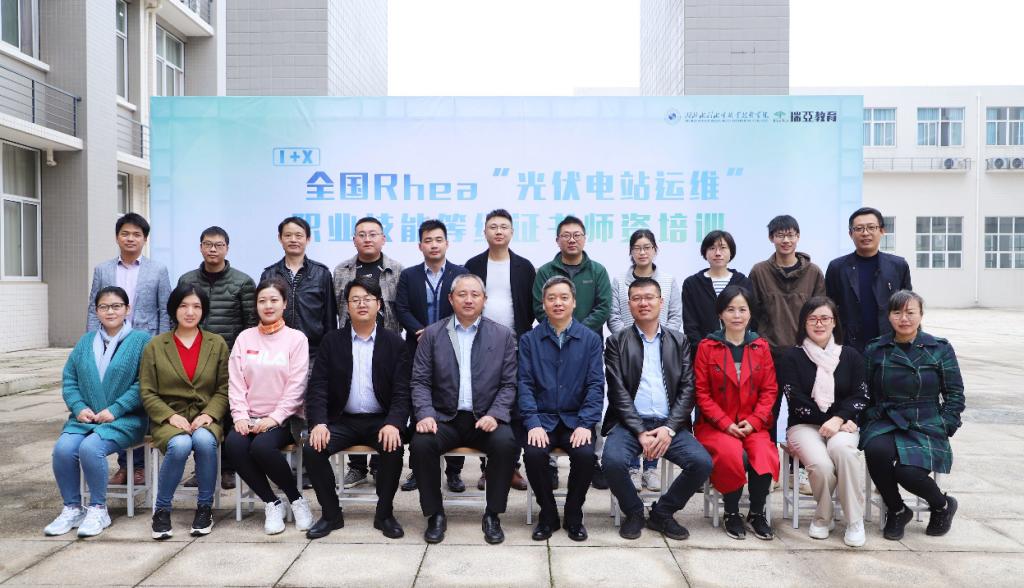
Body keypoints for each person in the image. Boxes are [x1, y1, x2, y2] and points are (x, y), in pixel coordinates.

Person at [409, 274, 519, 544]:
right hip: (444, 418)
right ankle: (435, 514)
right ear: (451, 299)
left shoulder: (502, 335)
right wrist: (425, 414)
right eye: (462, 294)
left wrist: (495, 414)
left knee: (506, 443)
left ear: (484, 299)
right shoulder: (432, 334)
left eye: (475, 294)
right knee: (421, 444)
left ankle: (492, 514)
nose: (468, 300)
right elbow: (420, 381)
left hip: (485, 419)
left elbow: (509, 384)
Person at [602, 277, 713, 541]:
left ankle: (662, 513)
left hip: (668, 424)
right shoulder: (616, 341)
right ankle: (634, 511)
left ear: (661, 302)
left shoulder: (679, 341)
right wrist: (641, 431)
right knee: (612, 462)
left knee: (702, 463)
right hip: (629, 425)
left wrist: (670, 429)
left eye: (649, 297)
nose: (644, 303)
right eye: (637, 298)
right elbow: (617, 392)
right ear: (629, 304)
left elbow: (688, 389)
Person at [303, 277, 412, 540]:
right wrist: (318, 423)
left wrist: (394, 423)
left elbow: (402, 391)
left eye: (368, 299)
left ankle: (384, 514)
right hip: (342, 420)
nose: (362, 304)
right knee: (312, 448)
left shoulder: (394, 343)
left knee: (393, 447)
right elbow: (317, 387)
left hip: (381, 420)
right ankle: (331, 514)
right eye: (355, 300)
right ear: (347, 306)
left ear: (379, 305)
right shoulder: (332, 341)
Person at [45, 287, 151, 538]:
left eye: (116, 306)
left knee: (90, 448)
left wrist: (116, 409)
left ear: (127, 309)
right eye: (104, 306)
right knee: (63, 449)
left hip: (125, 419)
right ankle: (72, 508)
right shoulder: (85, 342)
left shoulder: (141, 341)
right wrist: (78, 407)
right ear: (96, 311)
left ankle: (98, 509)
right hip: (86, 418)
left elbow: (145, 382)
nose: (110, 311)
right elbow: (70, 379)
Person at [860, 290, 964, 541]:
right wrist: (868, 416)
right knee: (875, 451)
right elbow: (864, 391)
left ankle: (942, 505)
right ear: (889, 316)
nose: (904, 318)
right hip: (886, 418)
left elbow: (955, 393)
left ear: (921, 314)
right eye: (897, 312)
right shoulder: (876, 348)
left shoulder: (939, 348)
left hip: (926, 420)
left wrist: (946, 423)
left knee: (908, 473)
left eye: (910, 312)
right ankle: (897, 510)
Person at [86, 213, 170, 487]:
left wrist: (161, 346)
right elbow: (93, 307)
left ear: (145, 239)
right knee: (116, 402)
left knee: (142, 401)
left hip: (145, 344)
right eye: (125, 233)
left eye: (136, 234)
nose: (130, 238)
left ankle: (140, 465)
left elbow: (164, 309)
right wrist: (91, 344)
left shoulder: (158, 270)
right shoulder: (103, 270)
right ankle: (125, 465)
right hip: (110, 344)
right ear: (117, 237)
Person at [140, 284, 230, 540]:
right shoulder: (156, 345)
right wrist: (170, 416)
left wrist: (210, 414)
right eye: (183, 306)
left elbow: (224, 387)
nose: (190, 312)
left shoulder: (216, 343)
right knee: (179, 445)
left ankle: (204, 508)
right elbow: (147, 391)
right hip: (169, 417)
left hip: (206, 416)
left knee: (203, 441)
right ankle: (162, 510)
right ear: (174, 309)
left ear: (204, 310)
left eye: (196, 306)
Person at [224, 278, 313, 535]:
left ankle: (296, 500)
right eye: (262, 301)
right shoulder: (245, 338)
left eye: (274, 300)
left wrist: (274, 418)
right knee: (234, 445)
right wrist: (240, 416)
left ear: (284, 304)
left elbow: (297, 385)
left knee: (262, 447)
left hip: (284, 419)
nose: (268, 305)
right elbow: (236, 381)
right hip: (249, 416)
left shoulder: (296, 339)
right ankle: (272, 503)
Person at [779, 296, 869, 547]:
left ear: (834, 322)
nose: (819, 324)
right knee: (821, 465)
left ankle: (854, 521)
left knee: (844, 452)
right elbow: (795, 399)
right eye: (812, 319)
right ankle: (823, 517)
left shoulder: (851, 356)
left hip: (842, 424)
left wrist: (839, 419)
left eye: (825, 318)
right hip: (804, 425)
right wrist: (833, 420)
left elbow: (861, 395)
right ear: (803, 323)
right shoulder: (791, 357)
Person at [518, 276, 604, 542]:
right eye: (552, 298)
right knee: (533, 454)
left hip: (575, 419)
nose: (558, 303)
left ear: (574, 302)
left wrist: (585, 424)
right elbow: (524, 385)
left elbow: (595, 385)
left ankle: (574, 513)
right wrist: (532, 422)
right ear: (543, 304)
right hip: (542, 419)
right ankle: (548, 514)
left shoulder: (590, 339)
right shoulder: (530, 340)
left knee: (586, 455)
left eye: (564, 298)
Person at [694, 285, 779, 541]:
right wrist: (724, 423)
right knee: (731, 454)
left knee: (763, 453)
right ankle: (731, 512)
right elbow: (701, 393)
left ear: (750, 313)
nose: (737, 315)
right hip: (716, 425)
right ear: (721, 314)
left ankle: (756, 513)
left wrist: (754, 422)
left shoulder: (760, 347)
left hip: (753, 424)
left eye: (743, 309)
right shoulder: (707, 346)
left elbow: (769, 390)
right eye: (730, 310)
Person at [533, 215, 613, 490]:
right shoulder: (545, 271)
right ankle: (550, 465)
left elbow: (604, 307)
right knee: (548, 396)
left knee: (590, 394)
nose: (571, 239)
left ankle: (595, 460)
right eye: (566, 235)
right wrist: (562, 328)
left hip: (586, 346)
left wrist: (577, 332)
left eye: (577, 234)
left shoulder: (597, 271)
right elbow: (538, 306)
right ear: (557, 240)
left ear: (584, 238)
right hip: (550, 342)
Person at [177, 226, 257, 489]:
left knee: (231, 413)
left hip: (231, 358)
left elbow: (250, 324)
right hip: (195, 357)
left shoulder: (242, 282)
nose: (213, 249)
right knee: (200, 410)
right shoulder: (187, 280)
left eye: (219, 245)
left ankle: (229, 469)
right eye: (208, 244)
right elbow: (178, 319)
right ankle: (201, 468)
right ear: (200, 247)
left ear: (227, 248)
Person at [396, 219, 469, 493]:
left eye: (439, 240)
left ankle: (454, 471)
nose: (434, 245)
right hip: (417, 346)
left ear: (447, 243)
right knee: (421, 404)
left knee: (453, 405)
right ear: (420, 246)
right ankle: (418, 468)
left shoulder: (461, 274)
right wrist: (421, 331)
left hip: (454, 347)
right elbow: (402, 308)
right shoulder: (409, 275)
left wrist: (440, 332)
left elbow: (466, 307)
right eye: (428, 240)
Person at [608, 228, 683, 492]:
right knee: (633, 398)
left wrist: (662, 340)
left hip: (662, 347)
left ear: (655, 250)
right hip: (627, 350)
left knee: (657, 401)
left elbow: (675, 316)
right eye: (637, 247)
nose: (642, 252)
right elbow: (614, 316)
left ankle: (650, 468)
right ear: (630, 251)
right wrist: (629, 341)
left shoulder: (668, 280)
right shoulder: (619, 281)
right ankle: (632, 467)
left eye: (647, 247)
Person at [464, 208, 534, 492]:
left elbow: (530, 307)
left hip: (516, 345)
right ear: (485, 232)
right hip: (479, 345)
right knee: (484, 404)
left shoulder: (524, 267)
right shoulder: (473, 264)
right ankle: (488, 469)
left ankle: (511, 466)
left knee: (514, 407)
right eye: (493, 226)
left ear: (512, 232)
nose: (499, 231)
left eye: (504, 227)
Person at [332, 216, 404, 489]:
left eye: (373, 234)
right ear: (354, 240)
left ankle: (379, 465)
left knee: (380, 399)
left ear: (383, 239)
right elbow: (337, 307)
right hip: (351, 343)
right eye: (361, 234)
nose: (367, 239)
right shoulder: (341, 270)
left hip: (386, 345)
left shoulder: (397, 270)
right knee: (354, 396)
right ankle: (357, 466)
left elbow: (400, 308)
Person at [749, 215, 826, 444]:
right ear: (771, 238)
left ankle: (801, 462)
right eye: (780, 235)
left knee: (804, 413)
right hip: (768, 355)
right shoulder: (759, 271)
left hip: (805, 355)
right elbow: (752, 314)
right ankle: (768, 461)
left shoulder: (813, 272)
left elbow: (821, 313)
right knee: (767, 413)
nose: (786, 240)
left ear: (798, 237)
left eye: (791, 235)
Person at [825, 207, 912, 353]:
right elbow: (829, 307)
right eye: (859, 228)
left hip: (889, 345)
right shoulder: (837, 267)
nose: (865, 233)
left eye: (871, 227)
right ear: (850, 234)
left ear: (882, 231)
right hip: (848, 346)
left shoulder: (898, 266)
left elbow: (908, 307)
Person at [260, 216, 338, 360]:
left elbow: (330, 318)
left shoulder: (322, 274)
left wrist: (329, 353)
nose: (293, 240)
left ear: (308, 239)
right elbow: (261, 314)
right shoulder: (269, 274)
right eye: (288, 235)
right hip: (276, 352)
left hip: (313, 353)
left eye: (299, 235)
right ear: (280, 238)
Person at [682, 230, 756, 355]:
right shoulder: (692, 284)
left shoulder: (744, 282)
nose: (717, 253)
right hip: (704, 354)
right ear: (705, 252)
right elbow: (690, 324)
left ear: (731, 251)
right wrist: (702, 349)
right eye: (712, 248)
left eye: (723, 248)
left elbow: (751, 319)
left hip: (740, 352)